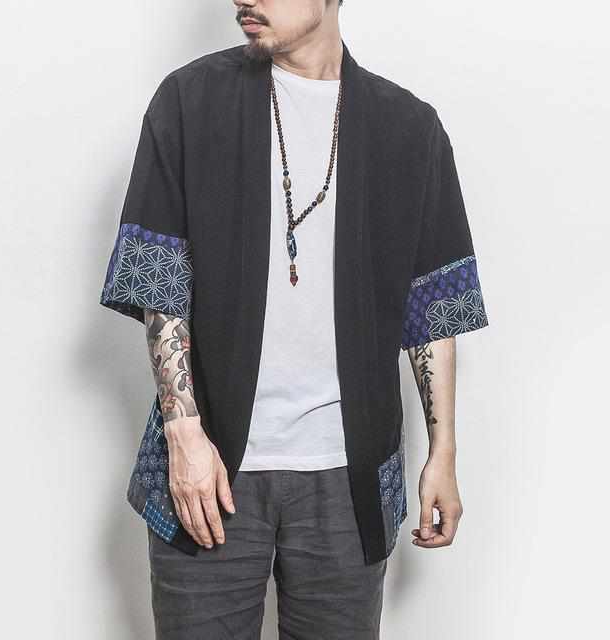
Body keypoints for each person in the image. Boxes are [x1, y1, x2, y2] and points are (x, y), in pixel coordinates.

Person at [99, 1, 489, 637]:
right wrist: (184, 435)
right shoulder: (191, 101)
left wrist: (442, 454)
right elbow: (159, 280)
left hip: (348, 478)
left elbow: (432, 307)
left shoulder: (407, 127)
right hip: (210, 467)